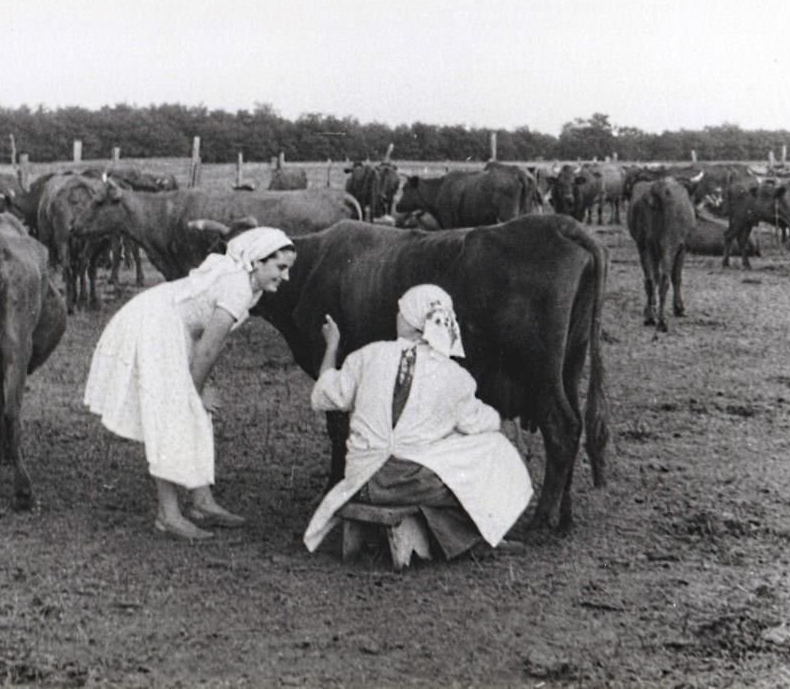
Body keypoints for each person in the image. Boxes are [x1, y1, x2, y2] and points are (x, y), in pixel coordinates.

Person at [84, 226, 296, 541]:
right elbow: (209, 347)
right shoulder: (238, 287)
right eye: (280, 267)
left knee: (193, 410)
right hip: (154, 323)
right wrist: (194, 392)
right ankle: (167, 515)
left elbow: (205, 342)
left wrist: (197, 389)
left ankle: (201, 502)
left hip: (172, 326)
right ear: (257, 261)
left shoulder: (249, 285)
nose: (286, 276)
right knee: (174, 414)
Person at [303, 283, 533, 560]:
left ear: (411, 321)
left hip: (361, 481)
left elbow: (325, 396)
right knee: (492, 447)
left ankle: (442, 534)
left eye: (400, 313)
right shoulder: (454, 375)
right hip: (409, 483)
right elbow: (478, 423)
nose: (397, 317)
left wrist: (332, 346)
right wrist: (501, 421)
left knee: (432, 443)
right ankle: (481, 532)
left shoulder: (368, 355)